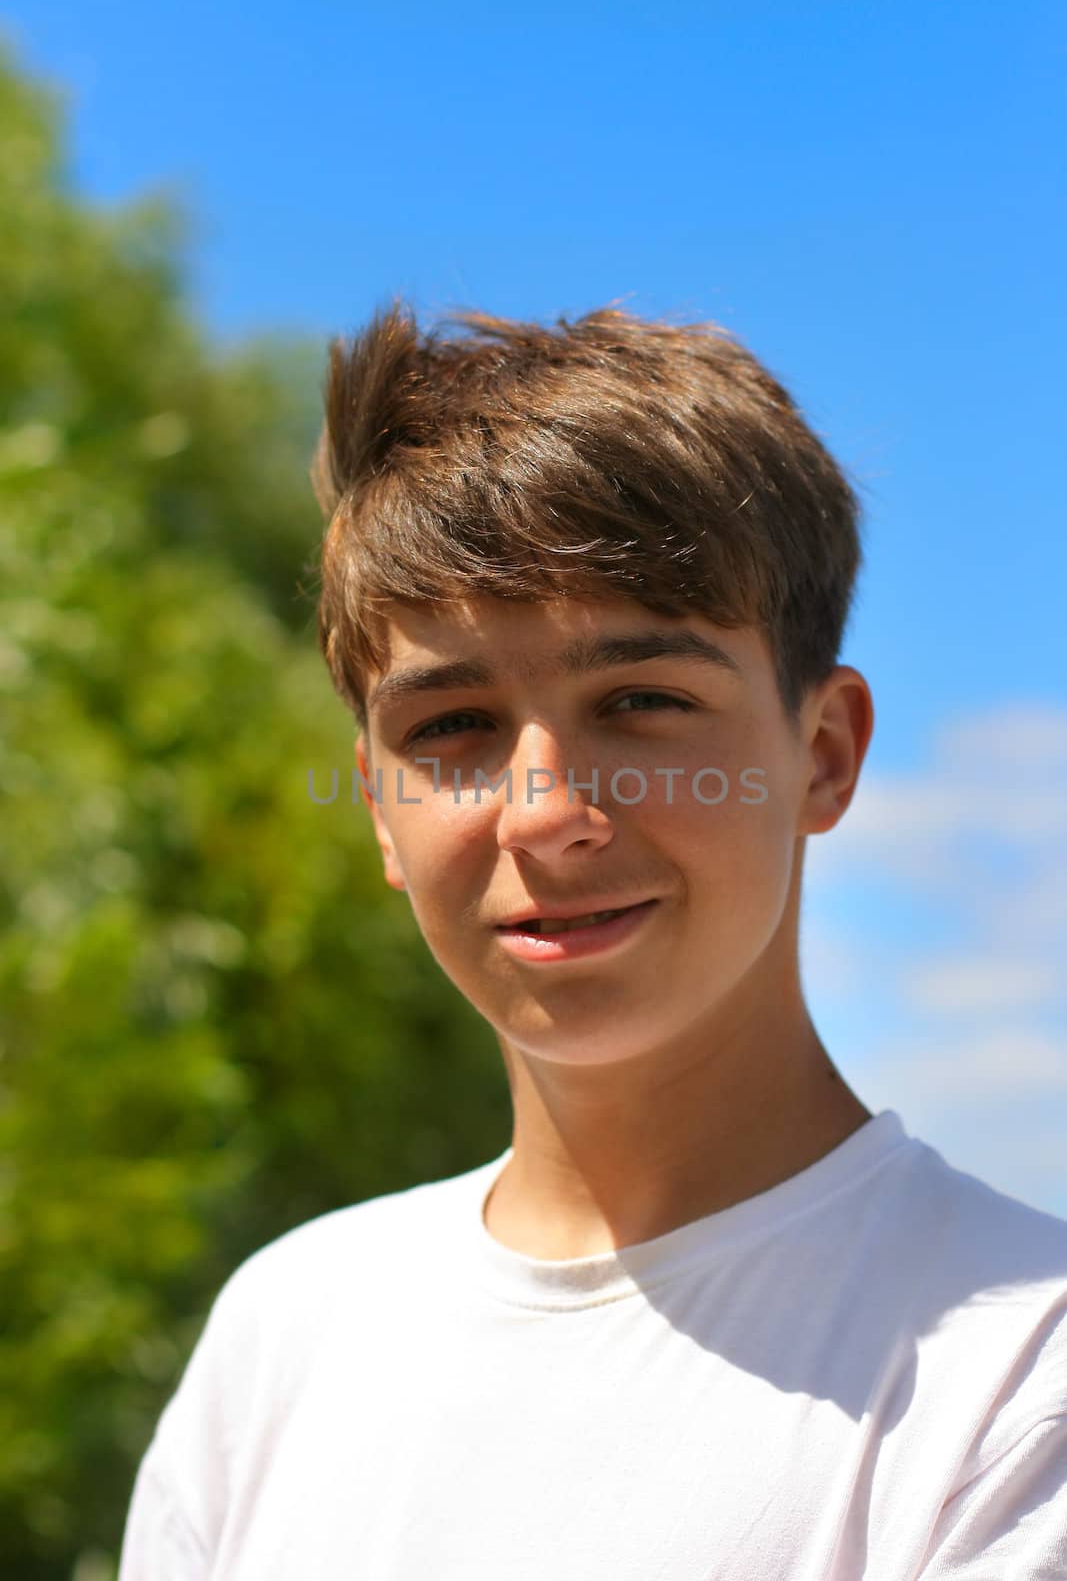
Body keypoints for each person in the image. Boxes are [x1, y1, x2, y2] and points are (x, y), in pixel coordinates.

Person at [118, 301, 1067, 1578]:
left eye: (641, 701)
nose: (546, 811)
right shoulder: (284, 1333)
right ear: (380, 811)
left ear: (823, 753)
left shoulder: (1012, 1378)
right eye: (448, 725)